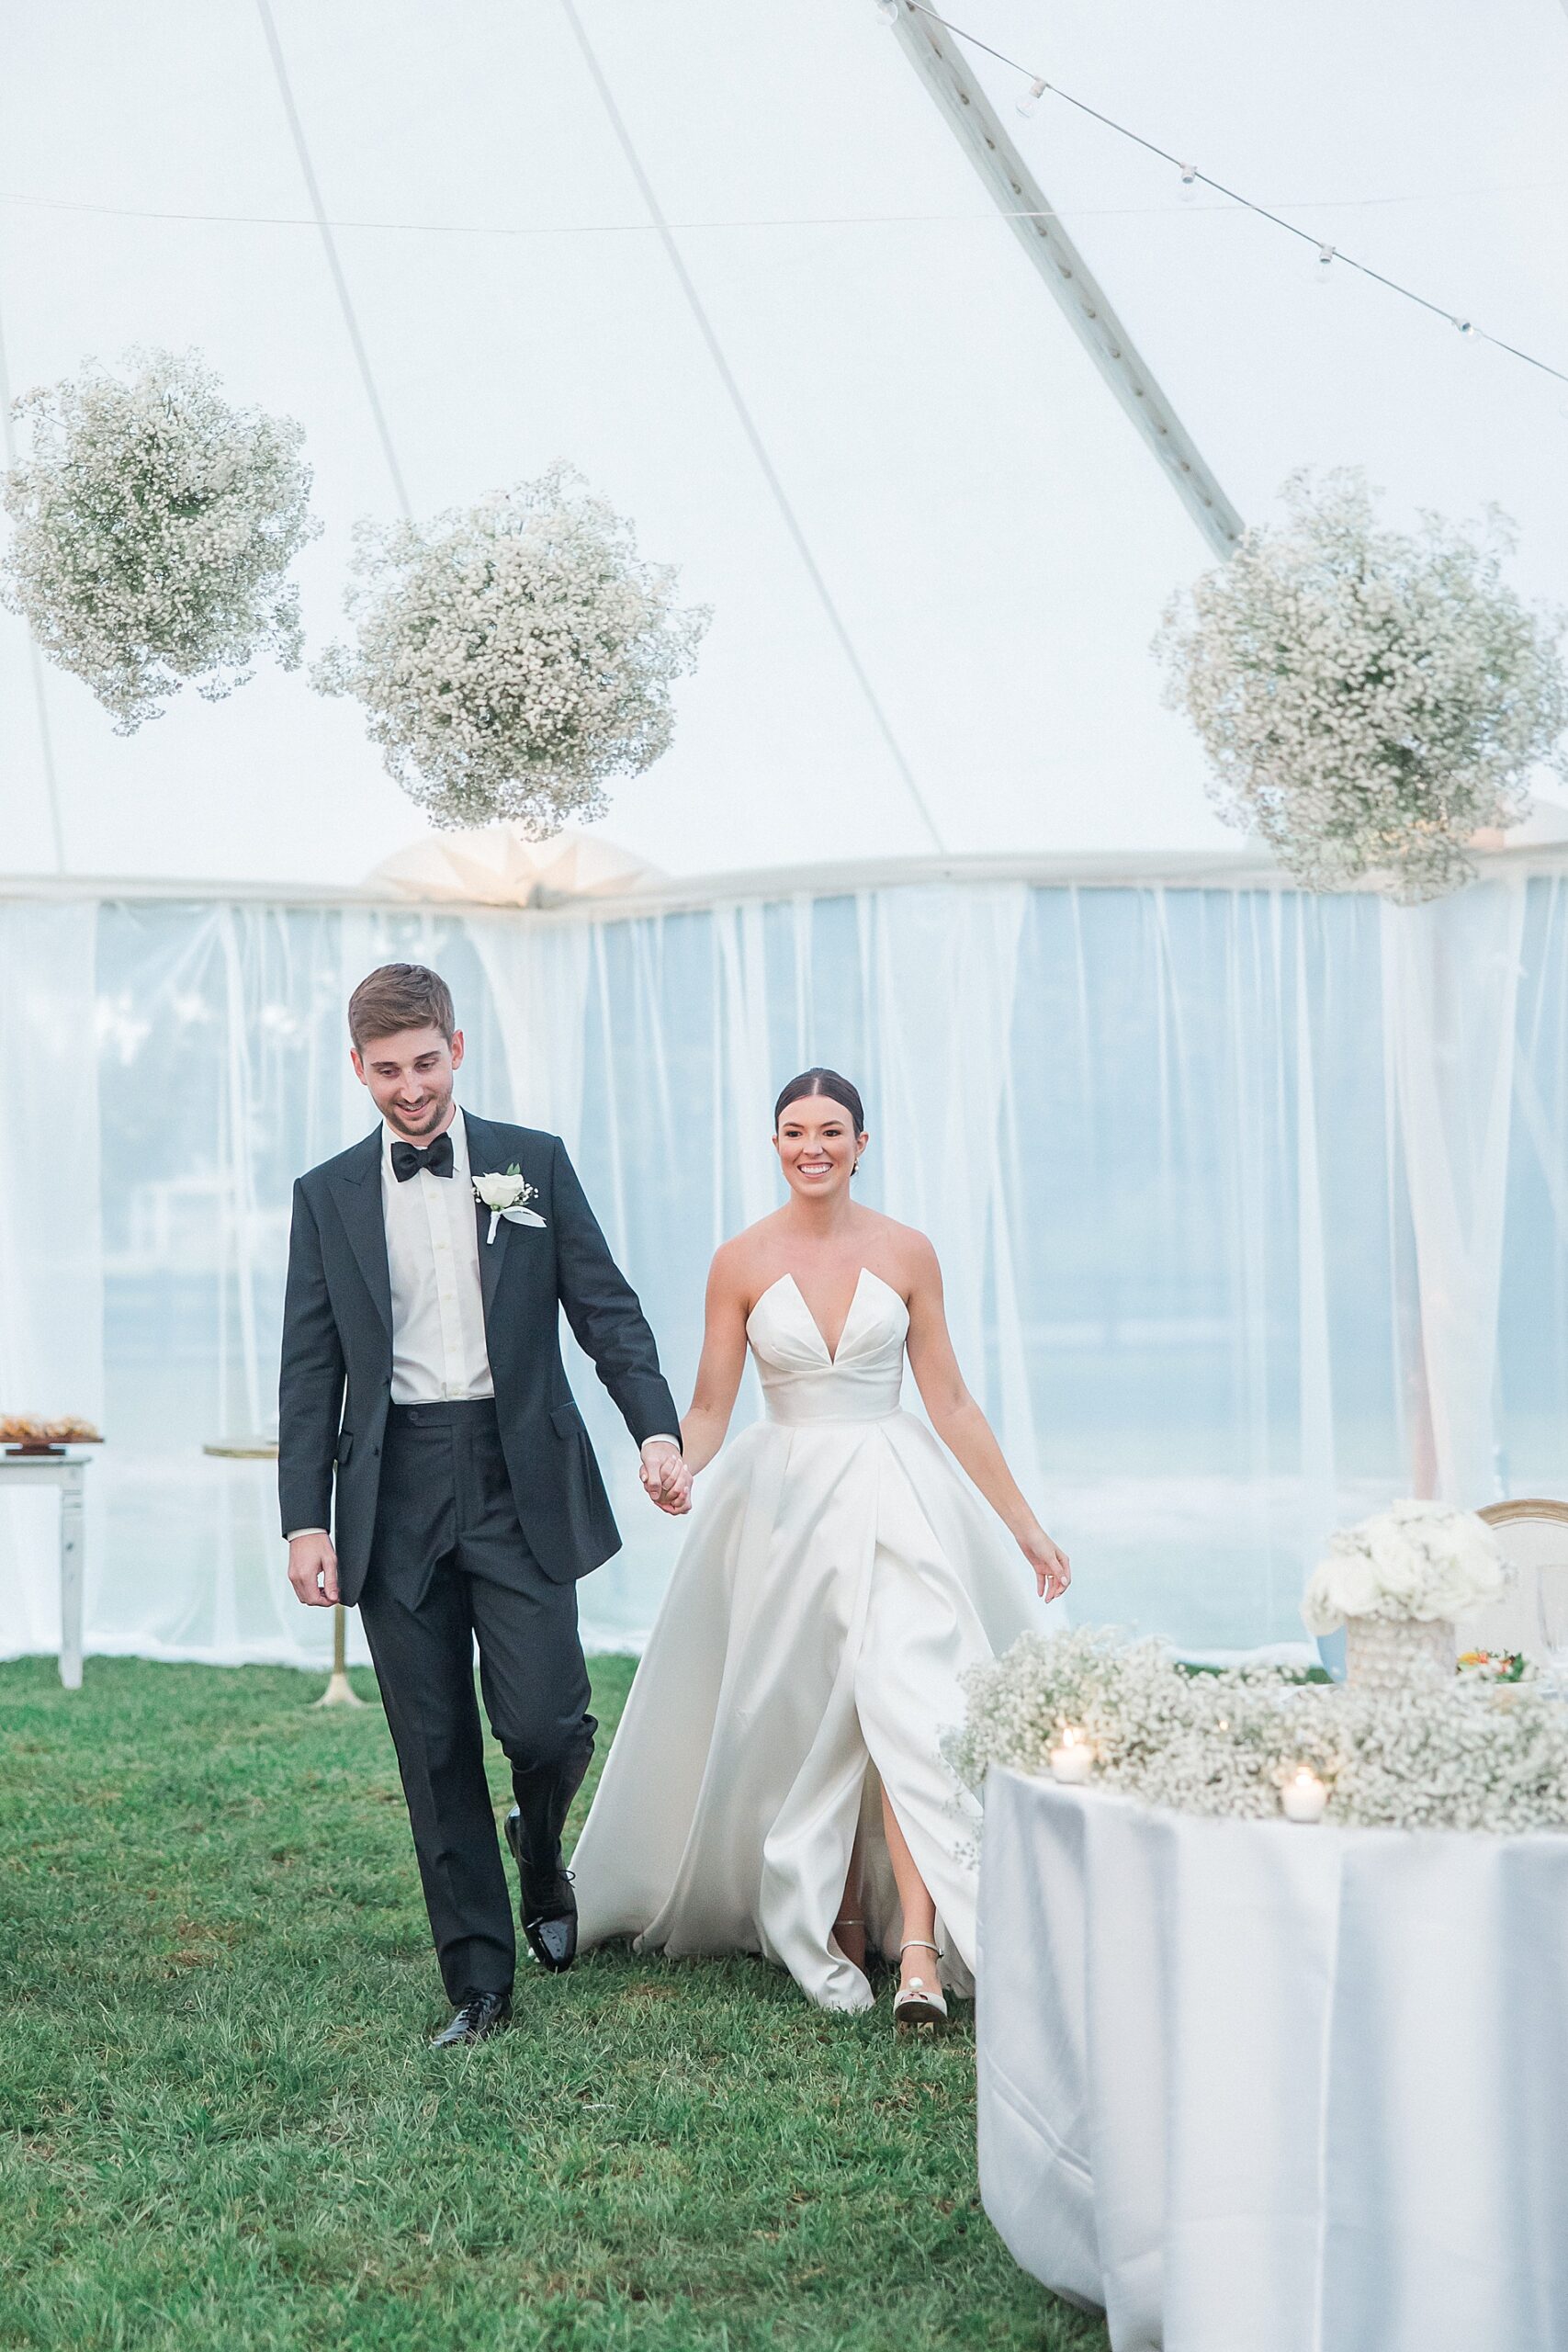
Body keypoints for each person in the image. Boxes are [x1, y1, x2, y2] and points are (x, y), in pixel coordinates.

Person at [572, 1067, 1069, 2025]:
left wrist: (1025, 1525)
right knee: (811, 1713)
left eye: (831, 1130)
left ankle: (920, 1951)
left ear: (861, 1143)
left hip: (897, 1496)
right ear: (775, 1144)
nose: (813, 1145)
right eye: (795, 1130)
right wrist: (676, 1458)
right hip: (788, 1508)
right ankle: (835, 1914)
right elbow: (713, 1405)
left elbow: (953, 1402)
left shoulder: (908, 1251)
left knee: (911, 1704)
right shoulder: (741, 1260)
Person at [277, 962, 690, 2047]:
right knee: (432, 1739)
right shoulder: (324, 1196)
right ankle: (479, 1981)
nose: (408, 1089)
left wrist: (655, 1426)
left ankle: (542, 1847)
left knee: (546, 1720)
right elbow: (309, 1369)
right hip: (393, 1481)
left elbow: (606, 1306)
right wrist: (304, 1517)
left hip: (517, 1476)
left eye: (424, 1063)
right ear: (355, 1067)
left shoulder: (531, 1163)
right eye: (385, 1070)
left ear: (457, 1049)